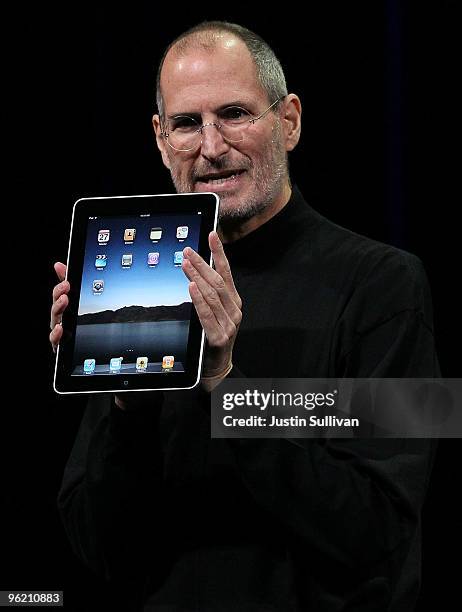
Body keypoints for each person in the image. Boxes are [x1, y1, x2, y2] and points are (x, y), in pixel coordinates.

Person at [50, 21, 439, 611]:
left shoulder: (388, 284)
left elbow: (380, 530)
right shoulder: (140, 287)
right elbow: (100, 550)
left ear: (289, 121)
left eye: (234, 114)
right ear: (160, 139)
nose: (210, 146)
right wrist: (129, 403)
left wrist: (228, 387)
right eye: (186, 123)